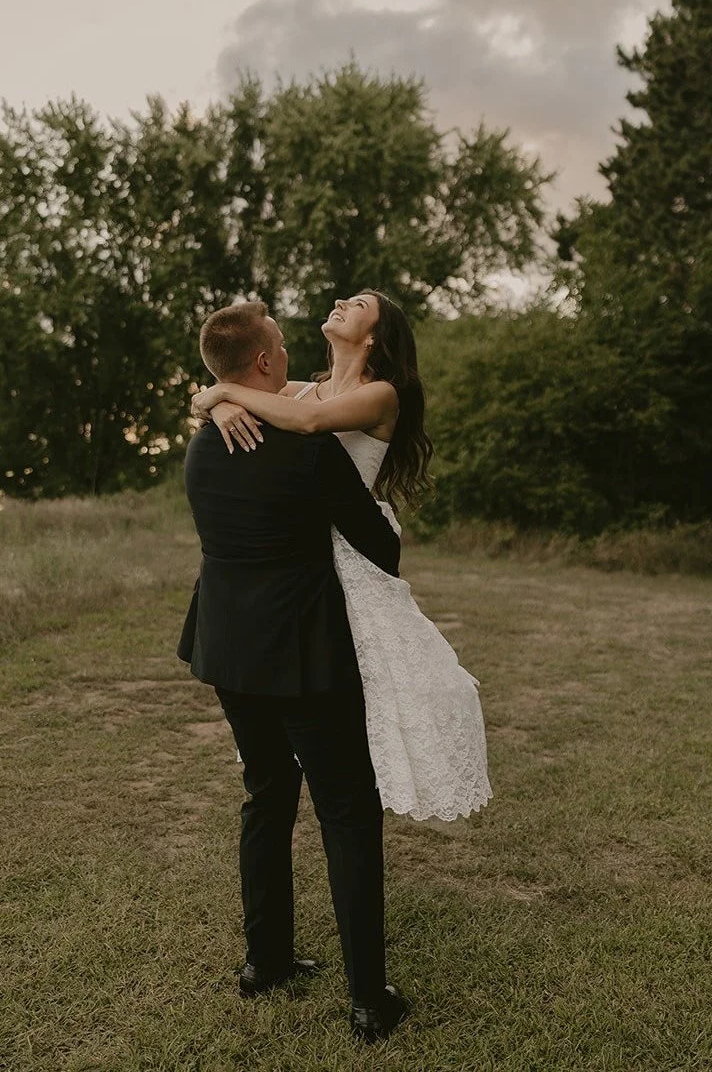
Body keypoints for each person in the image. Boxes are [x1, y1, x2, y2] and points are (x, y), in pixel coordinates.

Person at [180, 301, 409, 1044]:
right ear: (268, 364)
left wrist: (216, 399)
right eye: (278, 340)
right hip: (304, 654)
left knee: (266, 792)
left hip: (225, 646)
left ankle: (264, 962)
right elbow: (379, 546)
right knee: (347, 810)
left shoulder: (201, 447)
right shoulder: (311, 451)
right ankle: (370, 1000)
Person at [191, 289, 493, 824]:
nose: (339, 301)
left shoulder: (382, 396)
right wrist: (218, 403)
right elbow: (252, 394)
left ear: (374, 335)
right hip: (299, 556)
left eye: (357, 304)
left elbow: (308, 424)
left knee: (367, 699)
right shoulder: (303, 388)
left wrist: (221, 395)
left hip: (349, 553)